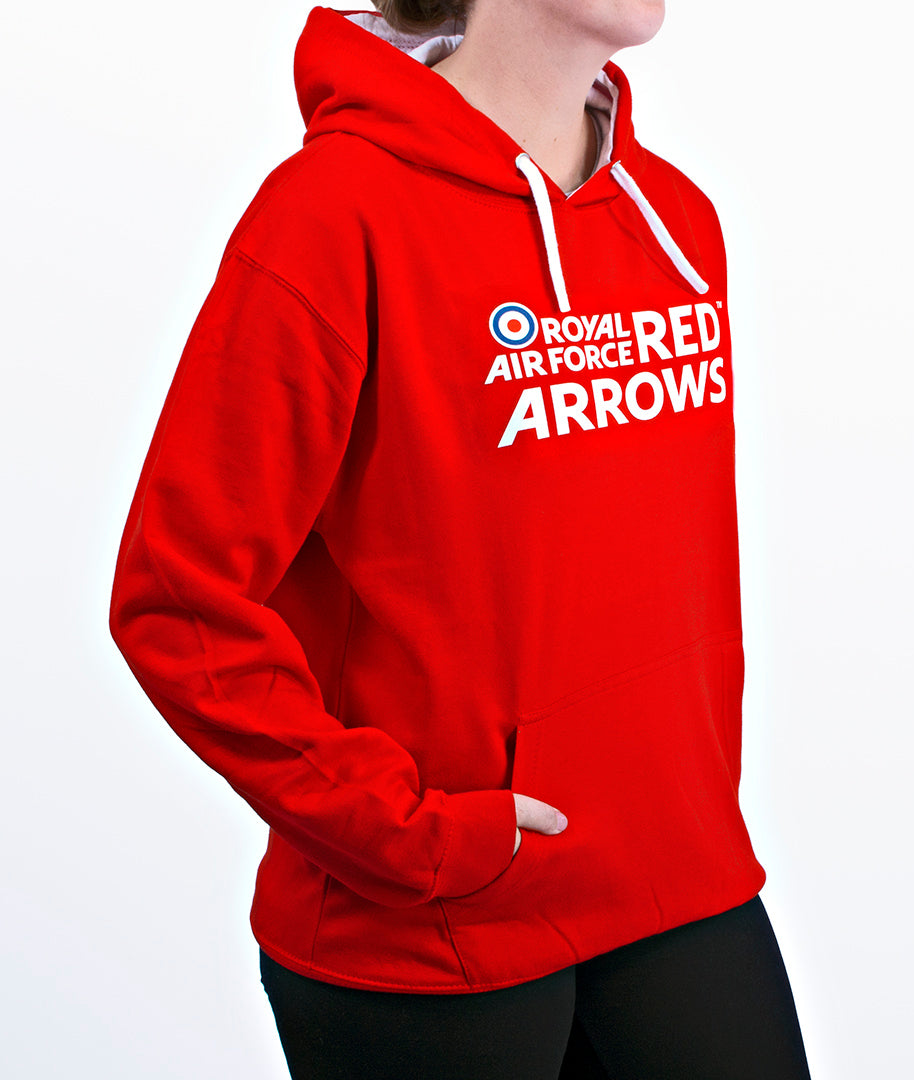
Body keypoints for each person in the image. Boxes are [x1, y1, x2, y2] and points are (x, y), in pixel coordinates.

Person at [108, 1, 814, 1076]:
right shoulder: (332, 214)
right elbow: (177, 597)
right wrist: (407, 832)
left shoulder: (677, 222)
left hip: (678, 879)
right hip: (427, 928)